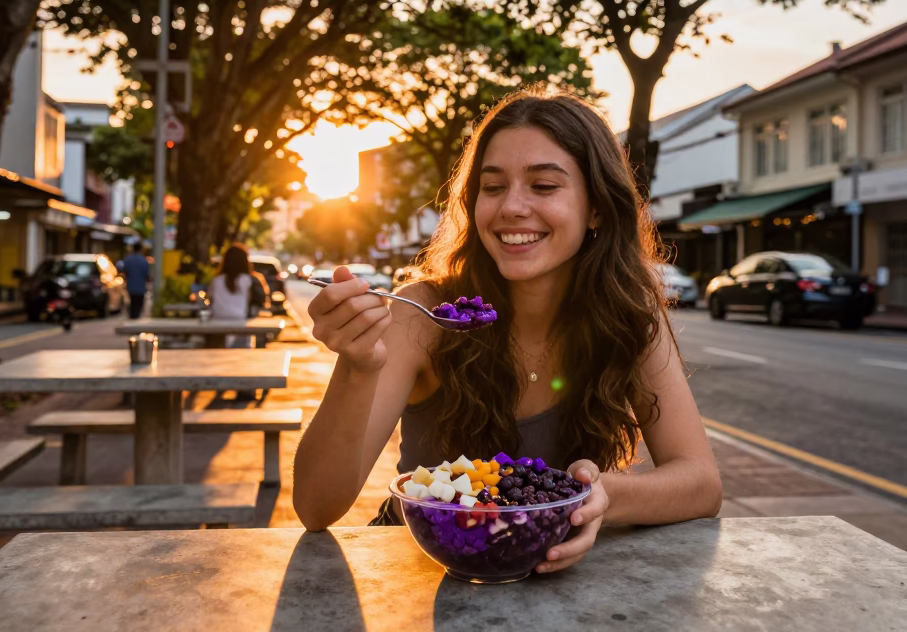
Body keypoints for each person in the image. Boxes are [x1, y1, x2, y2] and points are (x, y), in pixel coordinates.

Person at [294, 91, 722, 574]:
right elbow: (315, 506)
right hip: (421, 573)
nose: (511, 207)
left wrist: (602, 496)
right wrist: (358, 366)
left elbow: (701, 483)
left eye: (543, 185)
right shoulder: (423, 313)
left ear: (597, 208)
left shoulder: (626, 317)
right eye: (492, 187)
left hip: (557, 581)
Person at [208, 244, 267, 347]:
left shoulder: (217, 280)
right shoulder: (249, 280)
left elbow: (210, 301)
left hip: (216, 323)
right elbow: (260, 302)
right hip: (241, 323)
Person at [121, 242, 151, 319]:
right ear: (141, 249)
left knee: (132, 304)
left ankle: (132, 317)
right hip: (141, 287)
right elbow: (147, 274)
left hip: (131, 287)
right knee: (139, 305)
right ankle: (136, 317)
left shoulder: (128, 260)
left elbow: (123, 271)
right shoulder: (144, 261)